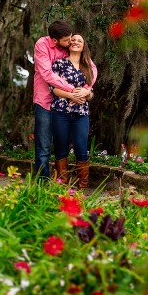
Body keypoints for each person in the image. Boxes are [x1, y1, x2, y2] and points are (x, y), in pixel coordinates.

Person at [32, 20, 91, 179]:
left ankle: (65, 184)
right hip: (45, 101)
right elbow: (46, 74)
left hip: (65, 107)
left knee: (64, 146)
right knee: (44, 147)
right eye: (67, 40)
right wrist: (71, 90)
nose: (70, 42)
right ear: (54, 40)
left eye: (72, 38)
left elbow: (89, 66)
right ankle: (42, 185)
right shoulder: (42, 45)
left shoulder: (68, 47)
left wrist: (87, 90)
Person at [50, 33, 97, 188]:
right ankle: (62, 185)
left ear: (84, 46)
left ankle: (82, 187)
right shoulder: (59, 64)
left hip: (81, 113)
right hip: (60, 111)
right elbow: (54, 88)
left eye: (80, 41)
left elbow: (90, 92)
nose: (76, 42)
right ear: (69, 44)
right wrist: (71, 95)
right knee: (61, 148)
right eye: (73, 40)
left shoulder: (88, 67)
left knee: (81, 147)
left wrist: (87, 93)